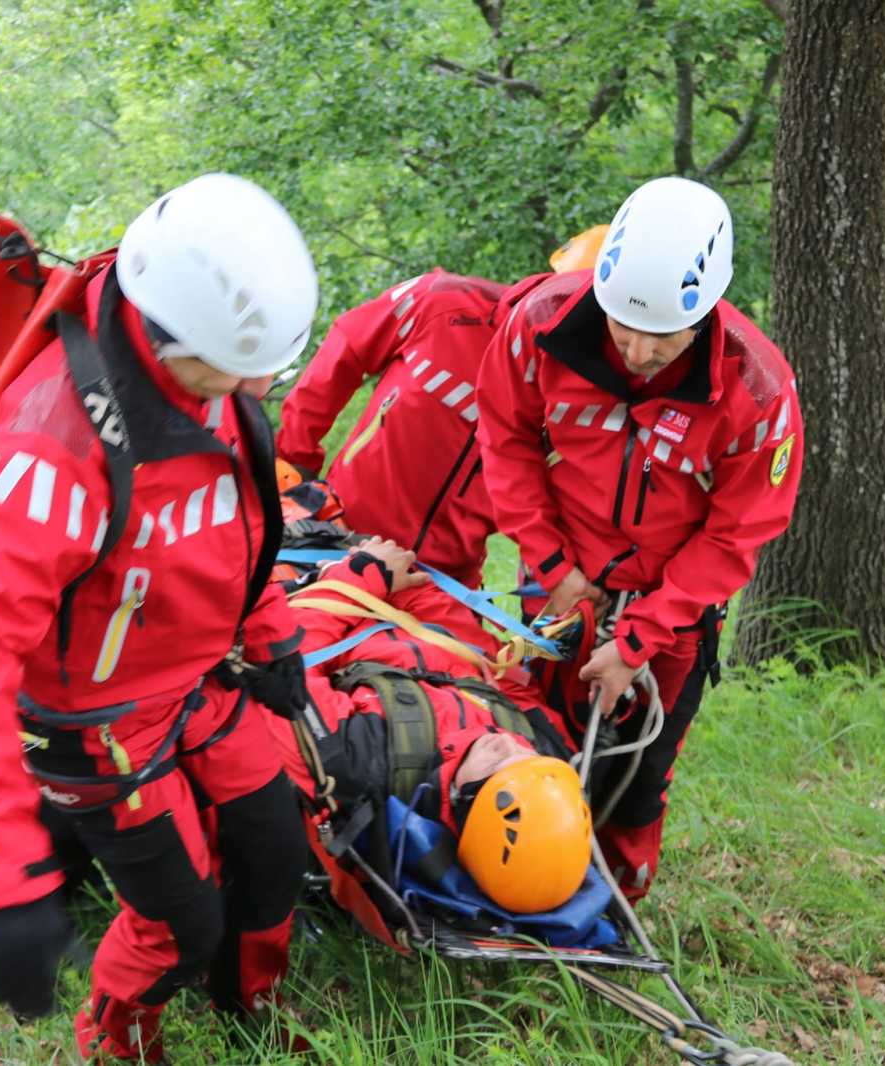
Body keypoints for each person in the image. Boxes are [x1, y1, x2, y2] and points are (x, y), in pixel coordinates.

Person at [0, 173, 316, 1061]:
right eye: (243, 369)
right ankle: (120, 1042)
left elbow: (241, 520)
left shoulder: (214, 378)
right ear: (173, 339)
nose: (256, 387)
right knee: (180, 923)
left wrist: (271, 636)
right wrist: (8, 876)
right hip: (96, 729)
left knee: (273, 845)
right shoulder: (58, 447)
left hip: (194, 681)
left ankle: (249, 1012)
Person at [476, 176, 804, 901]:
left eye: (663, 335)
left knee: (638, 776)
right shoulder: (541, 323)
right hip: (560, 587)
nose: (637, 350)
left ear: (708, 310)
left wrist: (638, 640)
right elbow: (505, 439)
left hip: (672, 610)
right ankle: (515, 893)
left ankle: (611, 910)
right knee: (531, 746)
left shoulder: (756, 389)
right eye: (624, 325)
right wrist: (553, 563)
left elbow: (735, 533)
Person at [263, 536, 593, 915]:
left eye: (496, 770)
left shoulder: (358, 765)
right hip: (376, 592)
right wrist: (403, 584)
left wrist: (360, 578)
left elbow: (285, 665)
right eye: (526, 756)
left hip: (314, 598)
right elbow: (473, 646)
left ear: (461, 803)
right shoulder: (548, 749)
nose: (508, 744)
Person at [275, 269, 511, 587]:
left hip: (443, 580)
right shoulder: (442, 299)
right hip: (339, 537)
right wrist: (295, 459)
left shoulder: (573, 388)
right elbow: (344, 350)